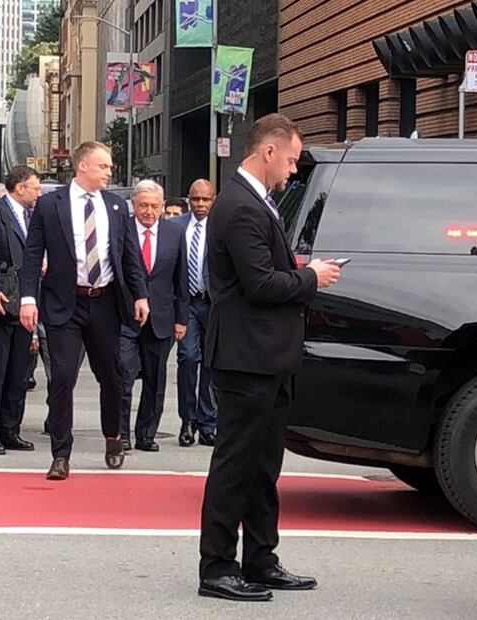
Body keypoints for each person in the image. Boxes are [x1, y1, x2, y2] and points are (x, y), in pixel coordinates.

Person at [197, 114, 341, 602]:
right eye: (293, 159)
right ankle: (217, 566)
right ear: (268, 152)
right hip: (245, 358)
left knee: (263, 467)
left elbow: (263, 273)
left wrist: (301, 273)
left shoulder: (258, 203)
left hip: (268, 357)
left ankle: (260, 560)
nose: (294, 169)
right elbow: (259, 284)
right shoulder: (239, 206)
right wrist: (311, 278)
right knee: (236, 465)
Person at [19, 141, 149, 481]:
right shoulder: (50, 205)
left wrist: (140, 295)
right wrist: (27, 299)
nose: (109, 172)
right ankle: (61, 454)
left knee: (112, 374)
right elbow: (32, 255)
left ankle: (113, 436)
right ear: (83, 167)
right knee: (62, 377)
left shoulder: (116, 206)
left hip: (105, 301)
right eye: (104, 166)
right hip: (65, 302)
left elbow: (129, 256)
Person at [0, 165, 42, 454]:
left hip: (25, 299)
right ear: (19, 187)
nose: (38, 193)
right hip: (2, 296)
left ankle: (10, 428)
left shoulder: (30, 216)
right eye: (35, 187)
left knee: (19, 370)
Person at [119, 180, 188, 452]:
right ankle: (120, 434)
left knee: (155, 380)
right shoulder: (122, 230)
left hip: (161, 317)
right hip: (125, 317)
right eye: (143, 205)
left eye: (154, 206)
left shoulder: (174, 233)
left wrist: (181, 318)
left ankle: (146, 434)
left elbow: (181, 278)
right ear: (134, 205)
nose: (148, 211)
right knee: (123, 375)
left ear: (161, 208)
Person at [173, 179, 217, 447]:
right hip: (185, 303)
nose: (200, 205)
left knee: (211, 362)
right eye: (195, 200)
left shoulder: (221, 227)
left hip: (213, 303)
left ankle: (208, 423)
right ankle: (187, 421)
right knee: (188, 358)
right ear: (188, 199)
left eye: (206, 200)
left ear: (213, 199)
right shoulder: (176, 226)